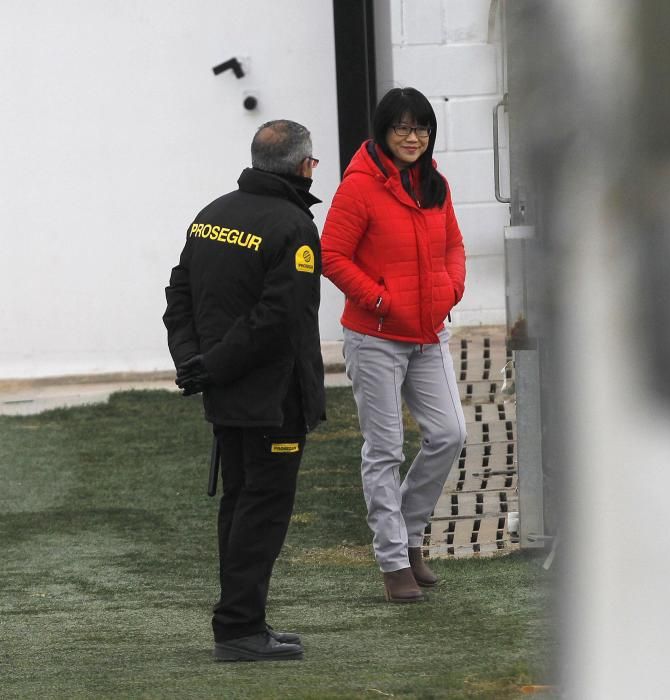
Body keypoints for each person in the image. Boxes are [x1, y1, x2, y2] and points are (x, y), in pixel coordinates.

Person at [163, 119, 325, 660]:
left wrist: (196, 362)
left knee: (238, 504)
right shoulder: (293, 226)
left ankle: (243, 622)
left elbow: (178, 295)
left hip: (227, 394)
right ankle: (238, 629)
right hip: (272, 398)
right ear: (306, 166)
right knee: (262, 510)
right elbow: (279, 320)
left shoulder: (211, 215)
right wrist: (213, 364)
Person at [321, 87, 467, 603]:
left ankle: (408, 538)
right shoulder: (359, 188)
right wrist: (379, 301)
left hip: (429, 335)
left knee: (451, 433)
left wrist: (452, 288)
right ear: (383, 132)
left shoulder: (436, 185)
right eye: (403, 128)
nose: (413, 137)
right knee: (383, 450)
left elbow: (453, 245)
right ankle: (392, 560)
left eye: (422, 128)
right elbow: (332, 255)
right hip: (375, 337)